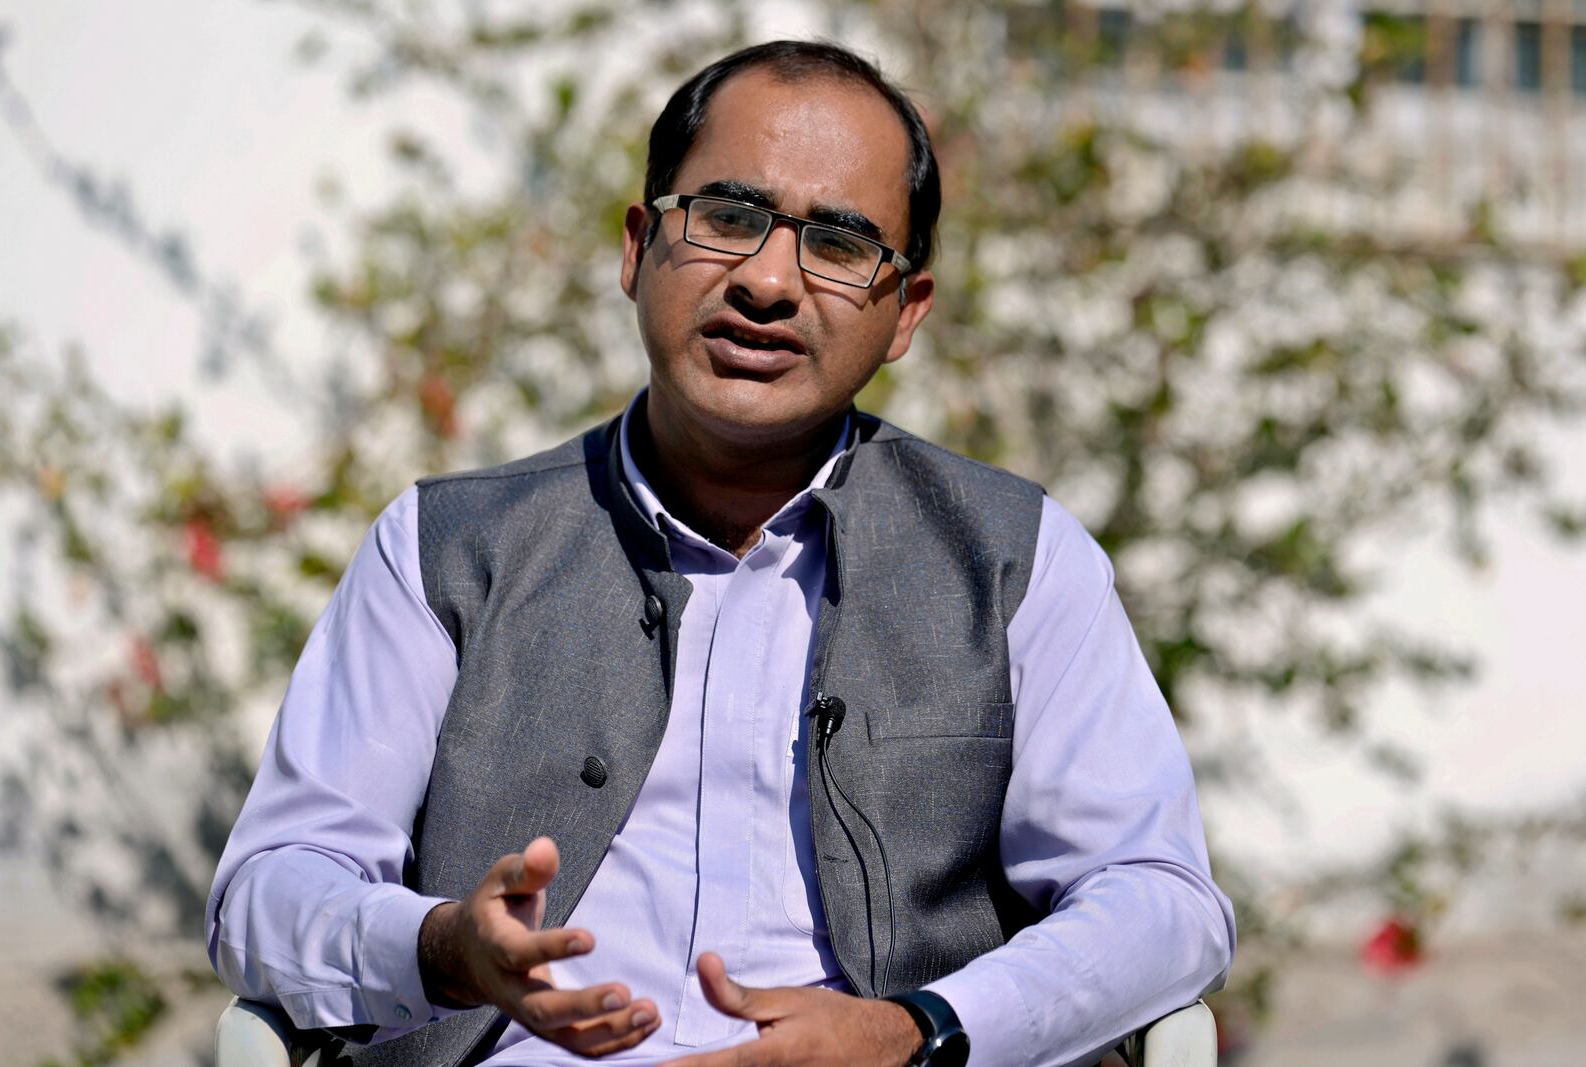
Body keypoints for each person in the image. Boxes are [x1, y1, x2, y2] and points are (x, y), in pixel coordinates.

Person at [207, 40, 1235, 1067]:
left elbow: (1159, 901)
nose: (769, 281)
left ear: (905, 313)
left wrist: (912, 1029)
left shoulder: (1013, 558)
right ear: (637, 246)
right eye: (730, 219)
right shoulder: (445, 548)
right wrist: (443, 947)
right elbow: (269, 890)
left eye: (837, 244)